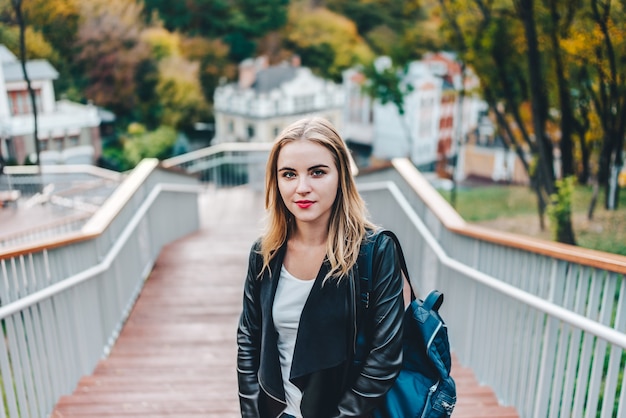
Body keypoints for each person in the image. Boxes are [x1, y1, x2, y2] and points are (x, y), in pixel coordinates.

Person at [237, 117, 405, 418]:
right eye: (289, 174)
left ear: (340, 175)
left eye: (317, 172)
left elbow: (386, 355)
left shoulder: (376, 251)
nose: (302, 187)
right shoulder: (264, 254)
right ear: (276, 181)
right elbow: (249, 341)